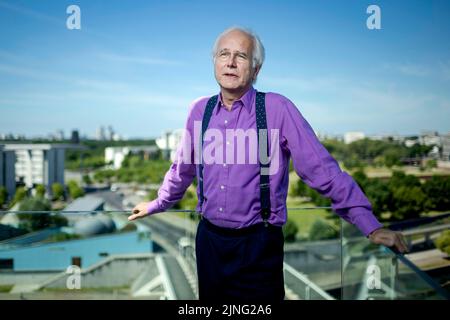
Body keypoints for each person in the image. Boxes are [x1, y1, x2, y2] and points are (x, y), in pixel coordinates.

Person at [129, 26, 409, 301]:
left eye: (240, 56)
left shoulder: (277, 109)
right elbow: (183, 168)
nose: (230, 61)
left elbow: (321, 170)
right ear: (214, 62)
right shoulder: (198, 111)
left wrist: (370, 226)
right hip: (209, 243)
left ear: (256, 69)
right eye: (223, 54)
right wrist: (158, 203)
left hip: (259, 246)